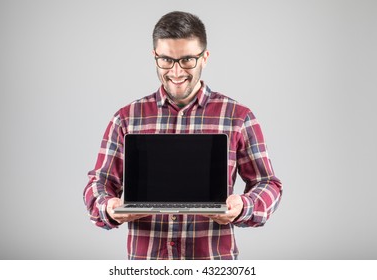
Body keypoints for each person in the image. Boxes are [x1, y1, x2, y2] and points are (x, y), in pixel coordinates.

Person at [83, 11, 282, 260]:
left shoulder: (238, 117)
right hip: (147, 265)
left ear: (205, 58)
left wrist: (244, 205)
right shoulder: (126, 118)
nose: (176, 72)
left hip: (212, 264)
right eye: (166, 60)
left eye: (187, 60)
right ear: (154, 57)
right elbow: (98, 183)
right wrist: (108, 206)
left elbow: (268, 184)